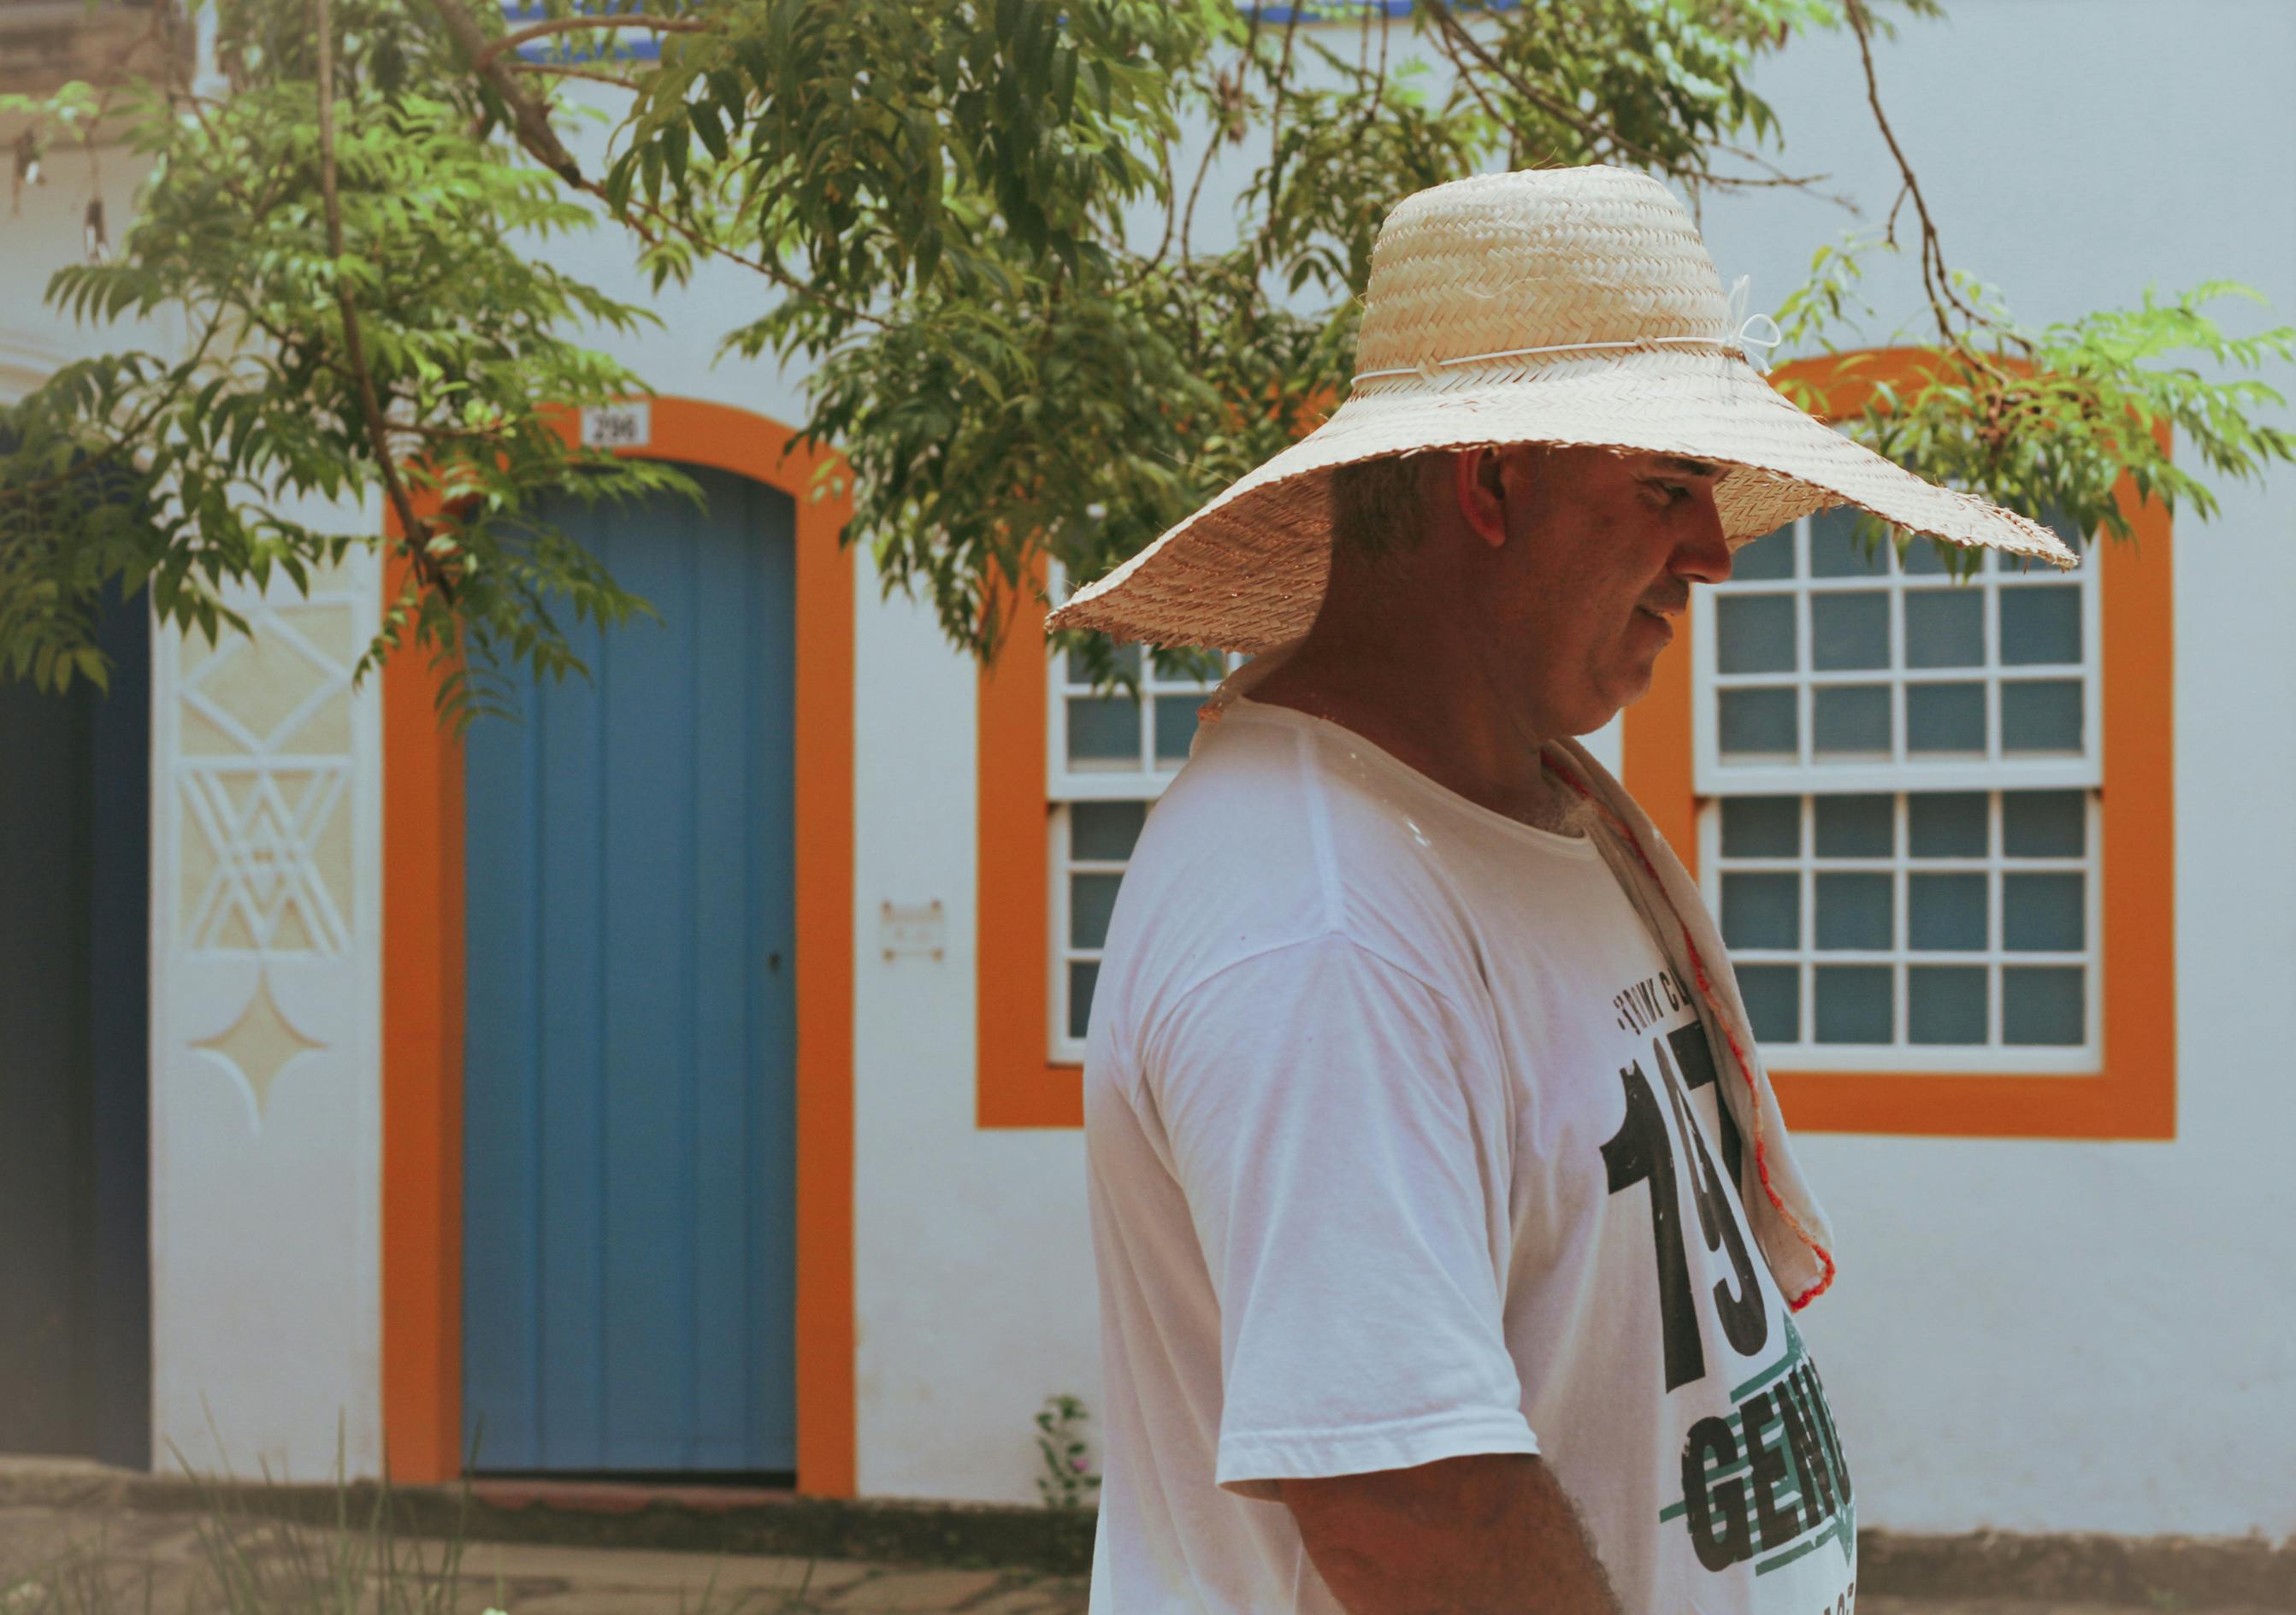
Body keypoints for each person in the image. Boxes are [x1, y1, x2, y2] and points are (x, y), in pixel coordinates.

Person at [1048, 167, 2074, 1615]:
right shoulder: (1320, 916)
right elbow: (1412, 1518)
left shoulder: (1528, 809)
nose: (1711, 553)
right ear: (1489, 482)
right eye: (1667, 487)